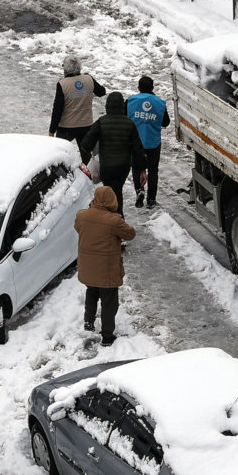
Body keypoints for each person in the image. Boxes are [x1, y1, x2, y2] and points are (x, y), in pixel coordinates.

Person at [75, 184, 135, 346]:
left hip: (88, 267)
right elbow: (130, 234)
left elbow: (78, 228)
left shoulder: (81, 216)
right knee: (109, 301)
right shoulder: (113, 220)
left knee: (92, 292)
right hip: (106, 270)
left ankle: (89, 321)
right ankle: (107, 335)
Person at [80, 91, 147, 208]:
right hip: (123, 167)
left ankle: (115, 219)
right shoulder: (129, 123)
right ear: (122, 106)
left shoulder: (101, 122)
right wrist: (142, 169)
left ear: (107, 106)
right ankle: (117, 218)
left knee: (110, 194)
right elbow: (138, 149)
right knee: (117, 192)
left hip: (106, 167)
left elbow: (86, 145)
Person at [48, 55, 103, 160]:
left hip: (66, 127)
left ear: (66, 70)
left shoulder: (62, 84)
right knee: (86, 156)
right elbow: (102, 92)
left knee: (59, 154)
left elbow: (58, 109)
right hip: (86, 125)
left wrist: (52, 130)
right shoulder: (89, 79)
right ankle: (87, 175)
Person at [126, 75, 169, 207]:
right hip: (153, 142)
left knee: (136, 167)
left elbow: (124, 118)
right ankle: (151, 200)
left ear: (138, 87)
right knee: (153, 170)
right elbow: (165, 123)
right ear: (152, 88)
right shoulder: (160, 103)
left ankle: (139, 191)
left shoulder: (130, 100)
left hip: (136, 142)